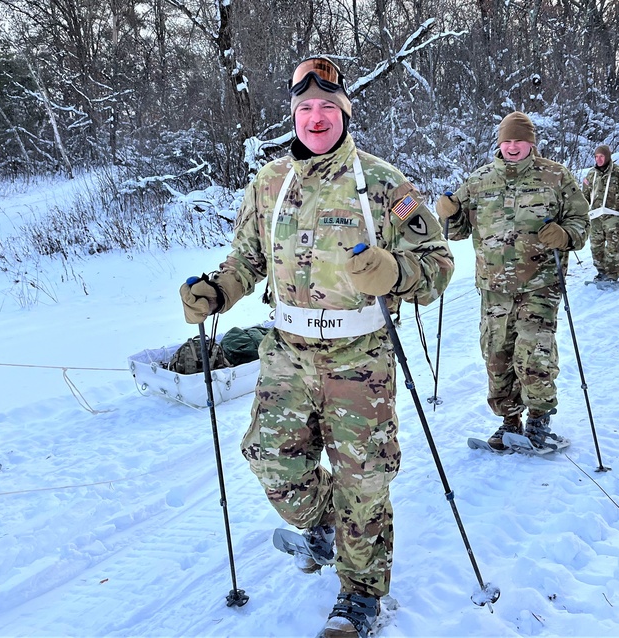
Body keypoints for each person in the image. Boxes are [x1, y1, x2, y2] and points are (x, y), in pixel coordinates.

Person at [180, 56, 453, 638]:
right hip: (286, 351)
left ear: (345, 113)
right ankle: (330, 527)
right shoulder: (269, 184)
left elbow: (438, 266)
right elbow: (246, 260)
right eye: (305, 108)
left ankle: (359, 595)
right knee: (271, 460)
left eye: (328, 106)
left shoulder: (382, 184)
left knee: (364, 478)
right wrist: (215, 292)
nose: (316, 117)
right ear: (294, 116)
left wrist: (392, 274)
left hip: (360, 356)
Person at [436, 111, 588, 452]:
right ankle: (509, 421)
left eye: (520, 141)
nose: (514, 147)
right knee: (497, 357)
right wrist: (448, 211)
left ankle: (539, 421)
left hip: (540, 284)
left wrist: (565, 234)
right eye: (508, 141)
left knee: (534, 355)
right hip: (494, 290)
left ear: (531, 143)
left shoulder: (555, 176)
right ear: (499, 143)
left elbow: (581, 221)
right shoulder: (478, 181)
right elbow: (458, 230)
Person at [582, 144, 619, 286]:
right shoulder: (591, 174)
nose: (599, 159)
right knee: (595, 245)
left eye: (601, 156)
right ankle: (601, 272)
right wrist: (579, 213)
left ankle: (612, 274)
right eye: (596, 157)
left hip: (613, 215)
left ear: (607, 156)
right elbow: (584, 196)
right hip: (595, 216)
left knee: (612, 246)